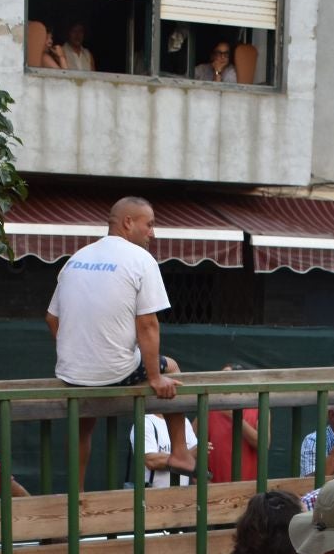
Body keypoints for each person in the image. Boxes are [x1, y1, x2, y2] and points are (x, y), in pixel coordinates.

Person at [47, 197, 186, 482]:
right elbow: (147, 324)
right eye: (149, 225)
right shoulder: (141, 260)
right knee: (170, 367)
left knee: (83, 427)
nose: (152, 233)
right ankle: (181, 452)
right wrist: (155, 377)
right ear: (128, 222)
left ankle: (76, 493)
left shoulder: (77, 258)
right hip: (116, 373)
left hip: (72, 375)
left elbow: (51, 318)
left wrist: (77, 356)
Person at [206, 364, 262, 484]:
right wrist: (201, 480)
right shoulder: (209, 408)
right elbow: (192, 444)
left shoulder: (258, 407)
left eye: (227, 378)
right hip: (214, 488)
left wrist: (233, 415)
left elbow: (263, 444)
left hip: (249, 487)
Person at [132, 410, 198, 489]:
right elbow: (151, 461)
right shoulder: (145, 422)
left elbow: (195, 457)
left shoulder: (184, 421)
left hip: (183, 492)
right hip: (152, 493)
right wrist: (186, 455)